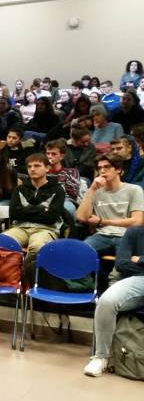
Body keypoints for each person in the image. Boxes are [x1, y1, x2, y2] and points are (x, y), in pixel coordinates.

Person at [83, 226, 144, 377]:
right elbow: (121, 263)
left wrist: (140, 259)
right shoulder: (134, 232)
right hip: (138, 279)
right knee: (106, 302)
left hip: (138, 272)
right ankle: (101, 357)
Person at [3, 153, 66, 282]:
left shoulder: (58, 189)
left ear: (47, 168)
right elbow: (14, 213)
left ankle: (23, 275)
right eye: (29, 166)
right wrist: (41, 209)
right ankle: (8, 275)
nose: (32, 169)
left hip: (46, 229)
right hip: (20, 227)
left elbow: (52, 217)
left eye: (37, 166)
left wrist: (25, 211)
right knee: (2, 242)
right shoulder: (20, 189)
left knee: (37, 247)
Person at [76, 154, 144, 255]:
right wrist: (92, 189)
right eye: (99, 168)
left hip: (126, 235)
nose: (102, 171)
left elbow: (137, 221)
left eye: (107, 167)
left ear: (118, 169)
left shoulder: (134, 190)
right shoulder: (94, 191)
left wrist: (102, 221)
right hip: (102, 235)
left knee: (123, 260)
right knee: (80, 251)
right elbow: (81, 217)